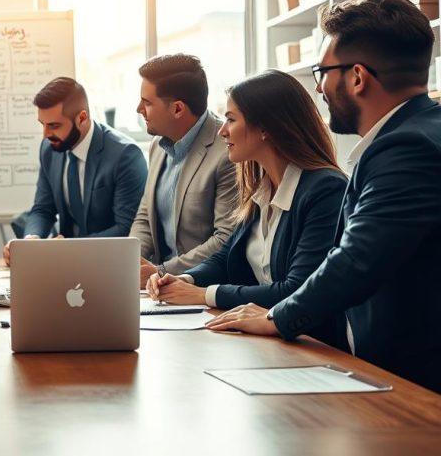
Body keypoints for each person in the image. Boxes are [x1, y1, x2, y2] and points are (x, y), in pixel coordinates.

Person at [206, 0, 441, 393]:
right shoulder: (416, 134)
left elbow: (357, 260)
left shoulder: (405, 148)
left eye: (322, 72)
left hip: (411, 378)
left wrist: (277, 317)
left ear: (357, 77)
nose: (318, 89)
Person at [147, 72, 347, 339]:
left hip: (311, 342)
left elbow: (296, 289)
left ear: (266, 128)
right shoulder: (260, 187)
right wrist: (186, 280)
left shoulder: (325, 190)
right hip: (268, 339)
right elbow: (226, 257)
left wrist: (204, 294)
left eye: (231, 119)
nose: (222, 130)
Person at [3, 77, 147, 265]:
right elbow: (43, 208)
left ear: (82, 118)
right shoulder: (49, 149)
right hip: (64, 264)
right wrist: (31, 241)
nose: (45, 134)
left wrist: (68, 247)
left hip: (109, 263)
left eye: (54, 125)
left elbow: (126, 228)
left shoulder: (125, 155)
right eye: (42, 124)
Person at [131, 55, 237, 288]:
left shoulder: (228, 151)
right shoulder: (157, 147)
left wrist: (160, 271)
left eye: (146, 102)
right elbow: (145, 217)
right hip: (156, 287)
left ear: (178, 109)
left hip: (200, 285)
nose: (139, 109)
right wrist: (128, 262)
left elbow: (225, 238)